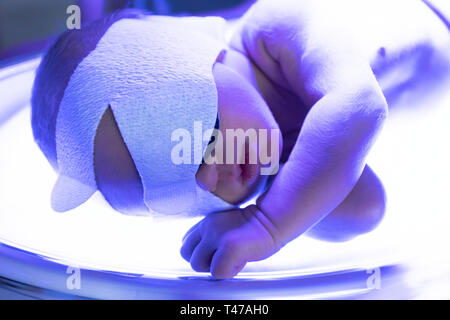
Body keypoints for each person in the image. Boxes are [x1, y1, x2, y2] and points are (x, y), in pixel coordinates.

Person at [31, 0, 450, 279]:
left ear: (185, 48)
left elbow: (358, 105)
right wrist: (277, 208)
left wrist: (267, 225)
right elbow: (365, 207)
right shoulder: (278, 165)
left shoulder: (276, 29)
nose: (214, 175)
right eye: (182, 192)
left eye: (200, 135)